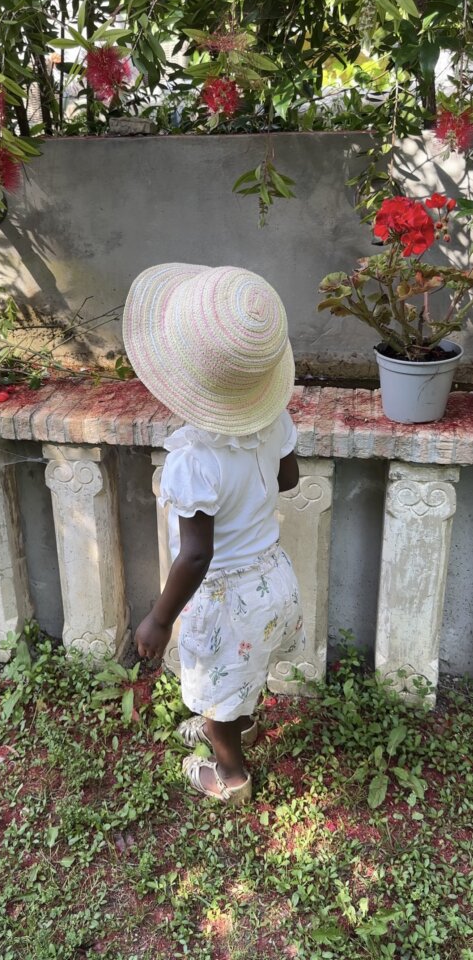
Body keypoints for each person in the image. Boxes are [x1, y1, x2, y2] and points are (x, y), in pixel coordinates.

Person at [122, 263, 304, 805]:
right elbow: (288, 478)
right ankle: (240, 724)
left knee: (215, 694)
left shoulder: (192, 462)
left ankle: (229, 773)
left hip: (224, 599)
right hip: (272, 580)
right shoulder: (274, 423)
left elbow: (197, 556)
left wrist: (160, 617)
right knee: (242, 672)